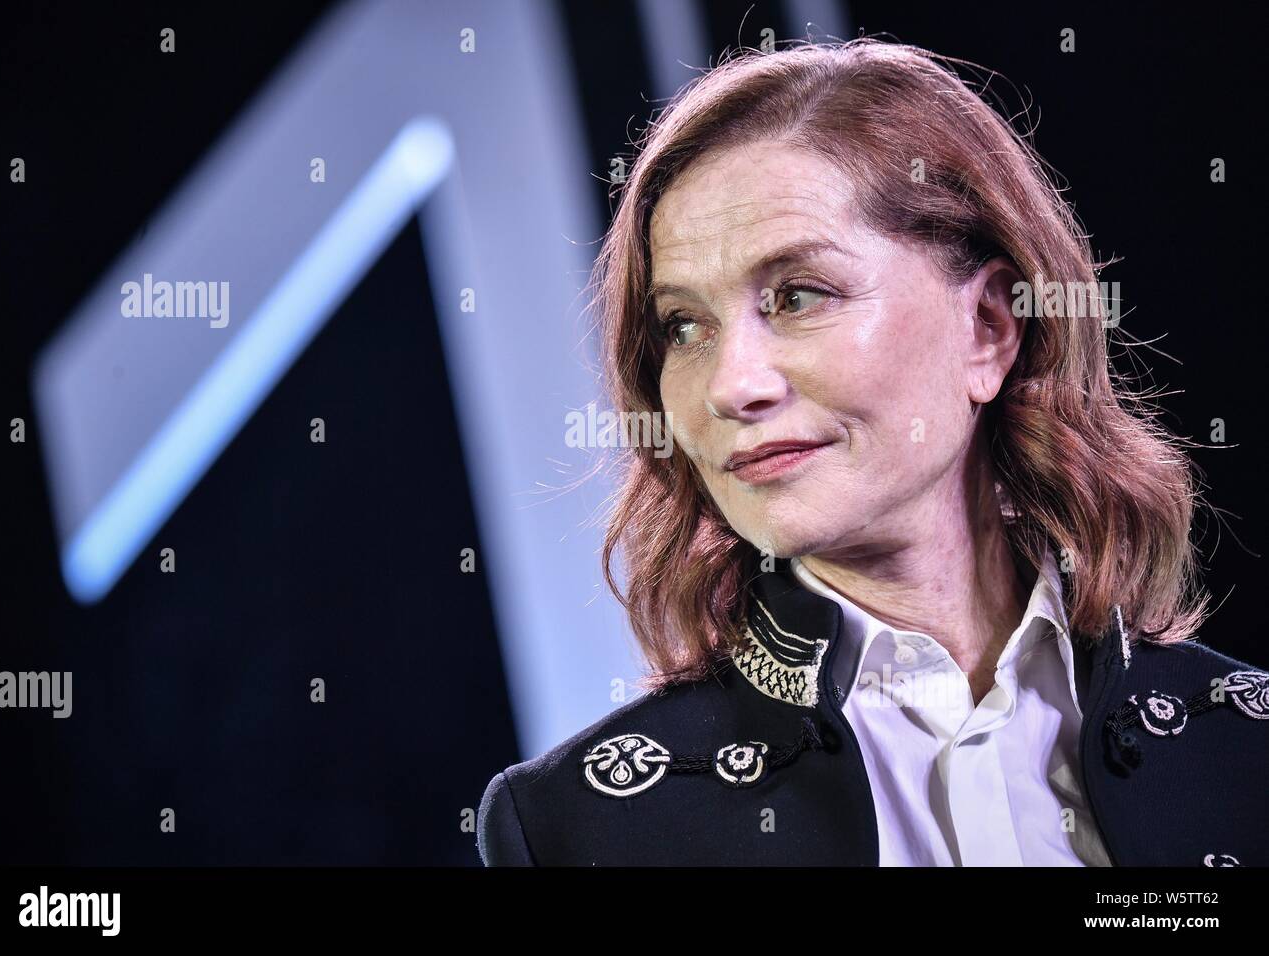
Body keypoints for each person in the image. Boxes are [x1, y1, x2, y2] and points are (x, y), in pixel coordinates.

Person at [477, 38, 1268, 866]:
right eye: (684, 326)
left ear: (989, 328)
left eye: (798, 295)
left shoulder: (1247, 753)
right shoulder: (577, 828)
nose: (729, 385)